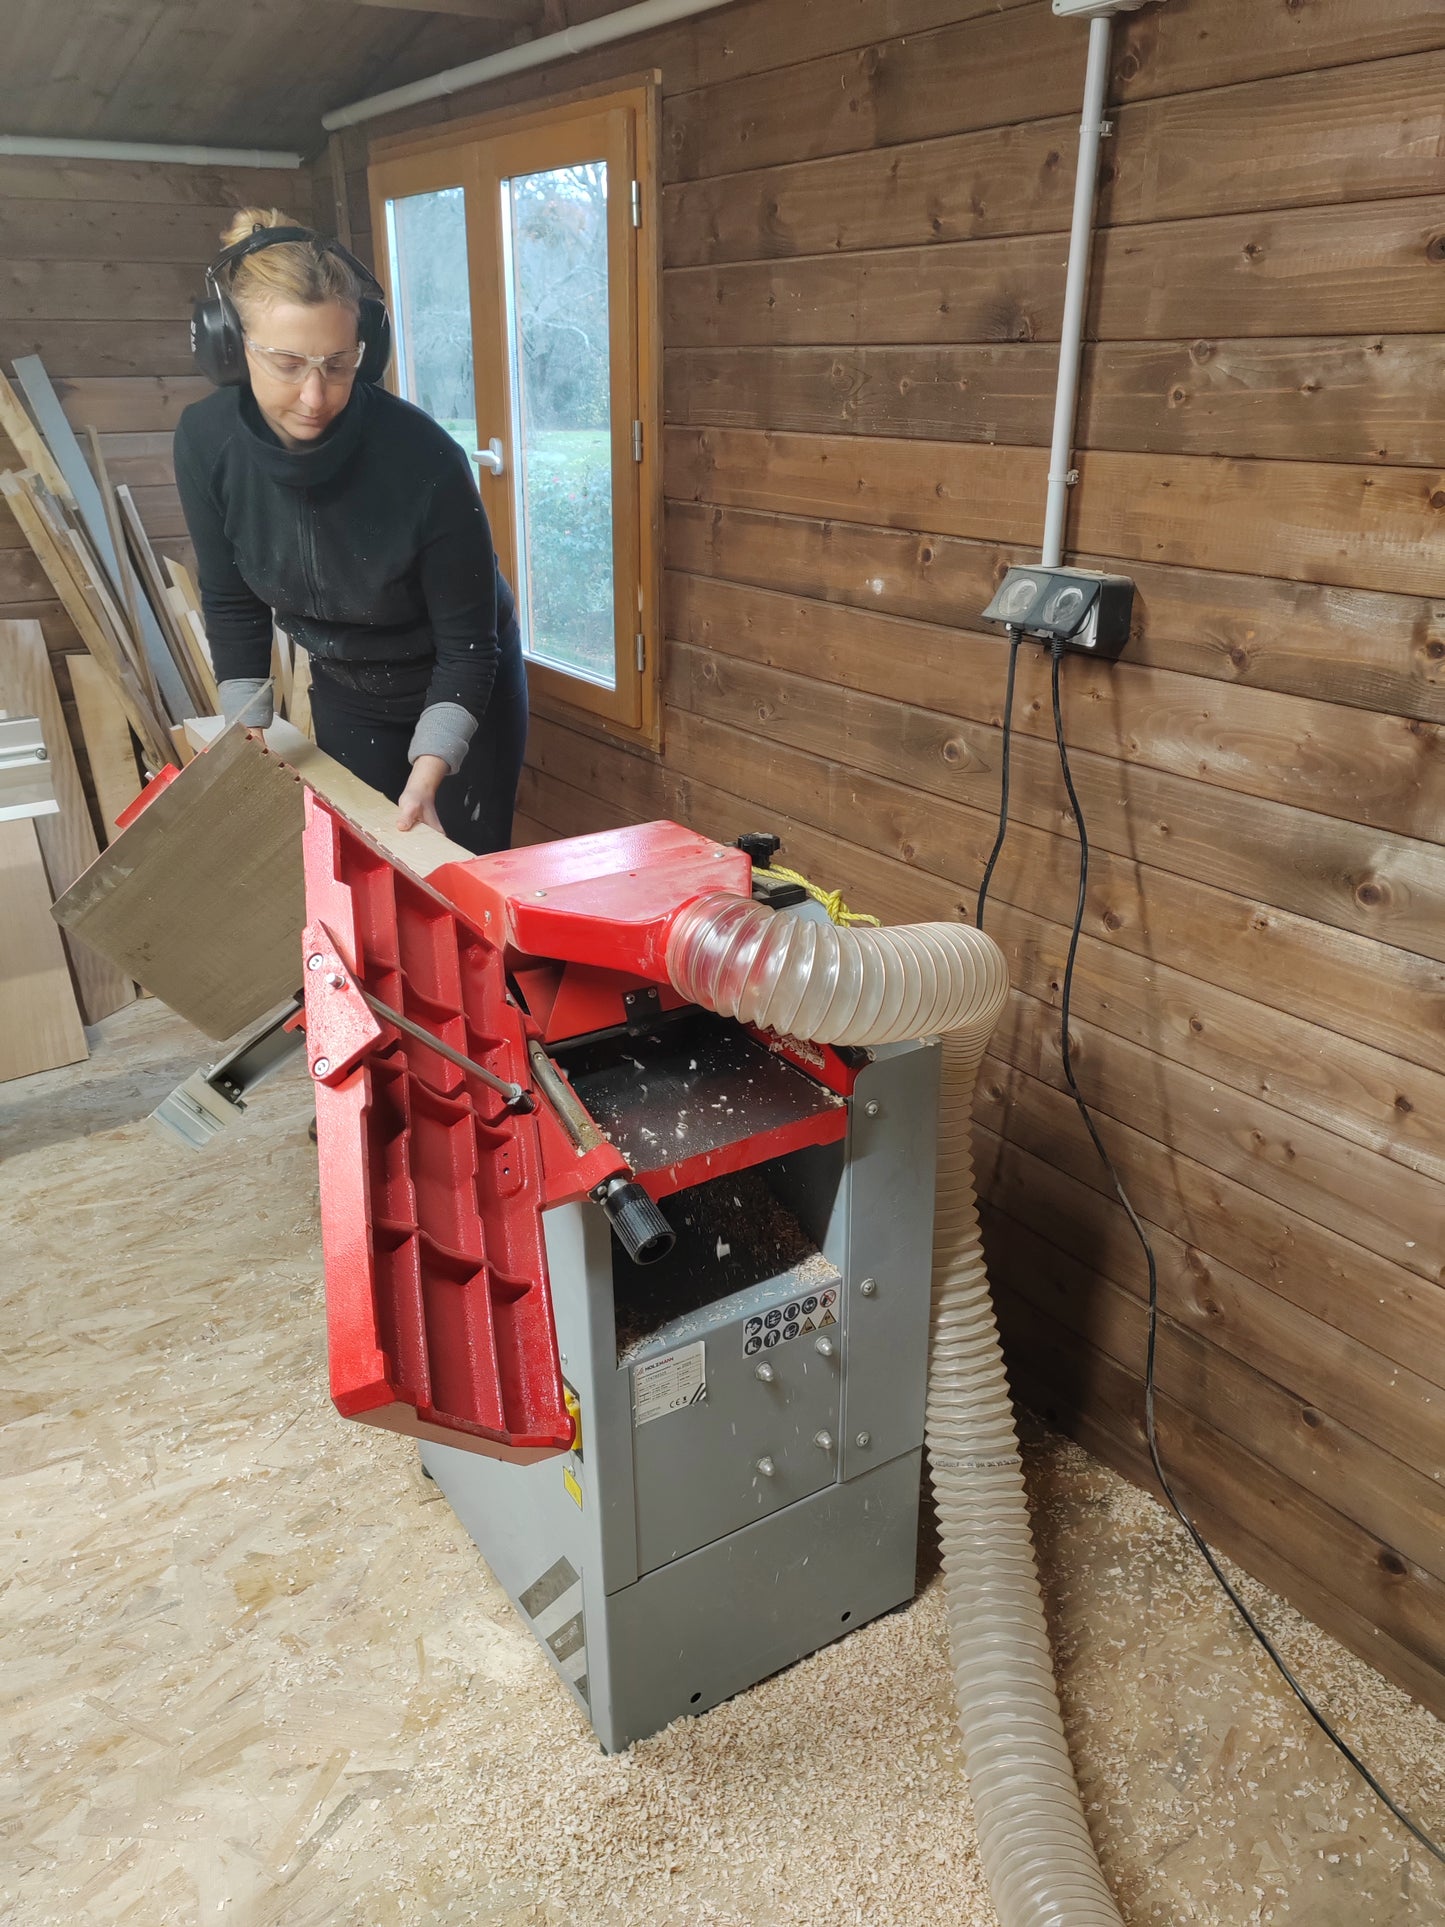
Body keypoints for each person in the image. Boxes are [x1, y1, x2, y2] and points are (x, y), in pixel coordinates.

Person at [174, 208, 527, 853]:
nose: (315, 395)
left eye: (338, 364)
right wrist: (247, 736)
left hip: (458, 682)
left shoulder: (426, 461)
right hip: (348, 683)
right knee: (361, 869)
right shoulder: (207, 444)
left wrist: (428, 775)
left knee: (458, 876)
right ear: (231, 346)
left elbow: (470, 649)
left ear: (366, 354)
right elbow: (232, 602)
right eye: (287, 364)